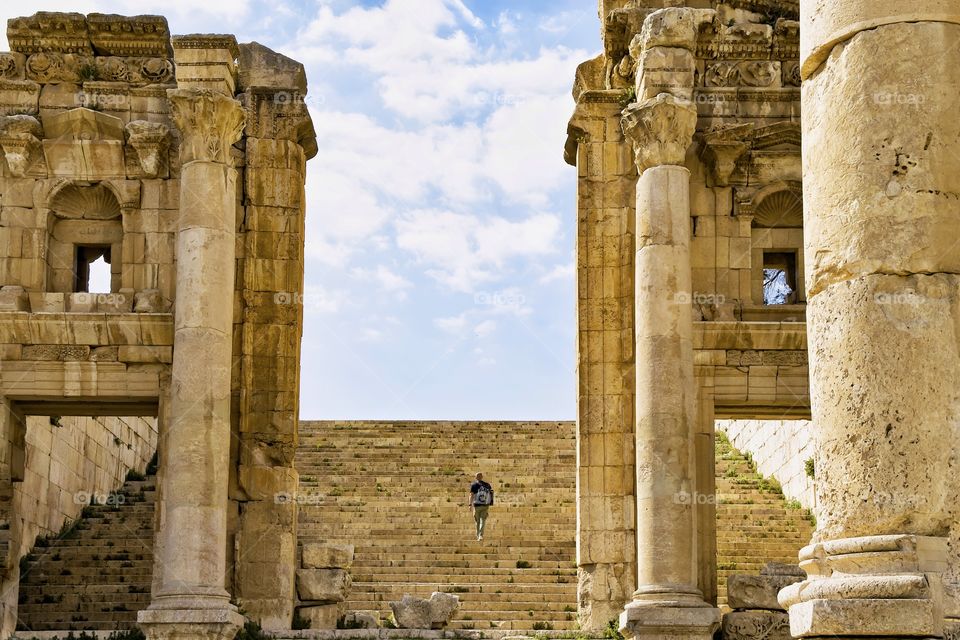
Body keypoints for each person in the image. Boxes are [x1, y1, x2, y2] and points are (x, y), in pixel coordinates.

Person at [467, 472, 494, 541]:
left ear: (476, 477)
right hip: (484, 505)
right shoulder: (487, 485)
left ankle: (479, 535)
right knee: (482, 521)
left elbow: (471, 495)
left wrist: (470, 504)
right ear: (482, 477)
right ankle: (480, 535)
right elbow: (491, 494)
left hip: (477, 505)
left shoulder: (474, 485)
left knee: (478, 521)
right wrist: (490, 503)